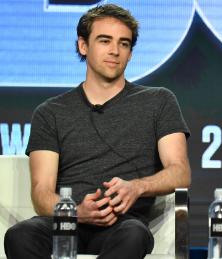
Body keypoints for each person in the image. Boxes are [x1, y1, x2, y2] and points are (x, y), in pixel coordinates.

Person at [4, 4, 191, 259]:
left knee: (133, 235)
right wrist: (77, 211)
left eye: (124, 44)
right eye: (105, 41)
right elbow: (41, 192)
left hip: (123, 225)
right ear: (83, 45)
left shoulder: (159, 101)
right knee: (20, 235)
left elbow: (180, 172)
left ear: (131, 53)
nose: (115, 51)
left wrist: (137, 187)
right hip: (68, 223)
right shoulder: (51, 112)